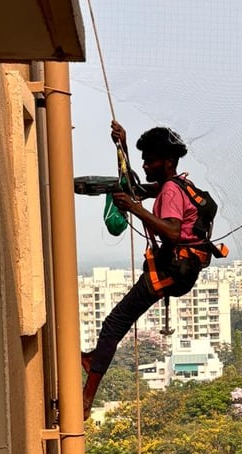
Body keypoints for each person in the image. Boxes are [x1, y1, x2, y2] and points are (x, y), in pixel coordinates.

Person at [81, 121, 207, 419]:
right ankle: (93, 360)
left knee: (115, 323)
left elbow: (172, 232)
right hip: (180, 268)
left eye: (150, 160)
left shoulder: (171, 191)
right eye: (144, 160)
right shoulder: (177, 185)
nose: (145, 165)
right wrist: (122, 147)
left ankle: (87, 397)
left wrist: (136, 209)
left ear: (168, 161)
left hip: (172, 269)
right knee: (116, 323)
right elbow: (135, 188)